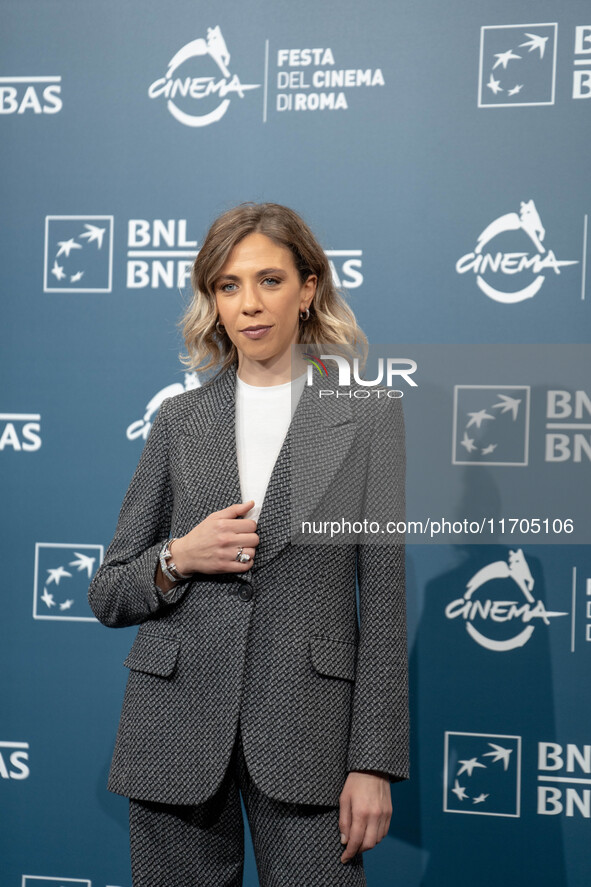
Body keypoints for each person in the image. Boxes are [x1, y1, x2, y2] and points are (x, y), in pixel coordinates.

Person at [88, 202, 408, 887]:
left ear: (308, 288)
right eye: (227, 286)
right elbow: (108, 589)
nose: (249, 304)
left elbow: (382, 605)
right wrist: (180, 556)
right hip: (174, 731)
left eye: (268, 280)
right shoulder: (178, 419)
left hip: (309, 736)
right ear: (212, 300)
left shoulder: (368, 417)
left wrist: (372, 760)